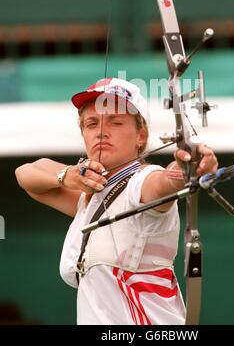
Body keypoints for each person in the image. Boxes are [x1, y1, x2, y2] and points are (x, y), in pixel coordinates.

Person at [15, 77, 218, 325]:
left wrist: (188, 166)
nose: (101, 130)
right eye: (91, 123)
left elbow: (164, 181)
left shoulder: (140, 184)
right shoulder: (90, 198)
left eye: (116, 121)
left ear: (140, 135)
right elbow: (26, 174)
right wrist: (67, 175)